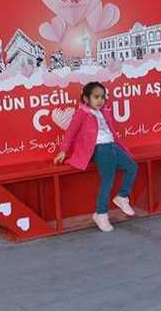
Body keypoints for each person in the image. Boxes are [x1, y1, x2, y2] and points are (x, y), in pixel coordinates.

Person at [53, 81, 138, 233]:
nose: (100, 100)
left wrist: (119, 147)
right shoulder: (82, 113)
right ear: (86, 99)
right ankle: (101, 213)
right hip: (99, 149)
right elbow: (71, 133)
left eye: (103, 97)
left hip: (112, 146)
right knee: (108, 180)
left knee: (132, 166)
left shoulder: (104, 111)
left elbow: (111, 132)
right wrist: (63, 151)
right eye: (96, 97)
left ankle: (122, 197)